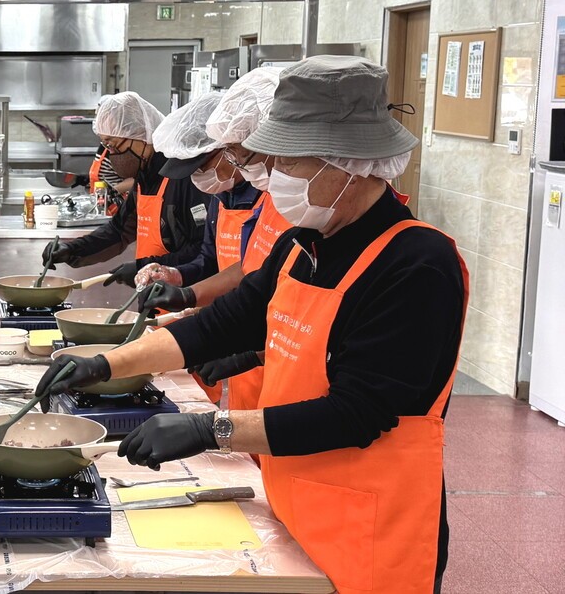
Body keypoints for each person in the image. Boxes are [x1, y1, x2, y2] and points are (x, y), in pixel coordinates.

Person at [37, 56, 468, 594]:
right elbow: (220, 326)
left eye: (289, 162)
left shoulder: (416, 264)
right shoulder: (299, 246)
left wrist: (209, 430)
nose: (274, 176)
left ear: (349, 162)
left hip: (371, 530)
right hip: (293, 502)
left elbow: (358, 413)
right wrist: (103, 365)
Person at [138, 89, 265, 402]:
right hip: (233, 338)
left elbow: (257, 277)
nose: (198, 178)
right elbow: (212, 261)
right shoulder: (220, 198)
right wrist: (177, 276)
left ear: (228, 150)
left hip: (262, 343)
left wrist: (248, 352)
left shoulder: (272, 201)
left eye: (201, 167)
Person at [42, 92, 210, 283]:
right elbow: (118, 231)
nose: (111, 154)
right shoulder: (144, 177)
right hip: (152, 297)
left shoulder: (182, 179)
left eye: (113, 146)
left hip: (184, 299)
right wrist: (72, 249)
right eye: (106, 146)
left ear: (141, 135)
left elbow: (202, 250)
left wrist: (147, 268)